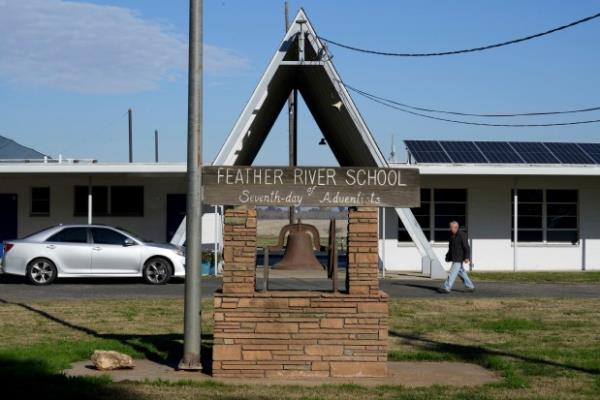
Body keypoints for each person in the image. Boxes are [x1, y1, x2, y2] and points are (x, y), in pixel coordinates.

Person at [438, 221, 475, 293]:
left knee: (452, 272)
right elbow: (451, 248)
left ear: (456, 227)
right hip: (455, 258)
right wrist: (448, 256)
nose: (450, 228)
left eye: (451, 227)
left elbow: (466, 247)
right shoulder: (452, 236)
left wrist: (467, 257)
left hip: (459, 258)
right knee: (461, 272)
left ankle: (447, 287)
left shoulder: (462, 235)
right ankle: (470, 286)